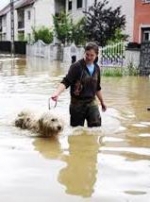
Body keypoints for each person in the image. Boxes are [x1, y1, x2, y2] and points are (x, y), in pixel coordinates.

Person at [51, 42, 107, 127]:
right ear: (84, 53)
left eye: (92, 55)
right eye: (87, 54)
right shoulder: (76, 66)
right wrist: (57, 93)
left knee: (96, 128)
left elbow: (97, 88)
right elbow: (66, 81)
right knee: (76, 130)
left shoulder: (97, 68)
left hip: (91, 102)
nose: (89, 57)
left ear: (96, 55)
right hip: (77, 104)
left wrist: (102, 102)